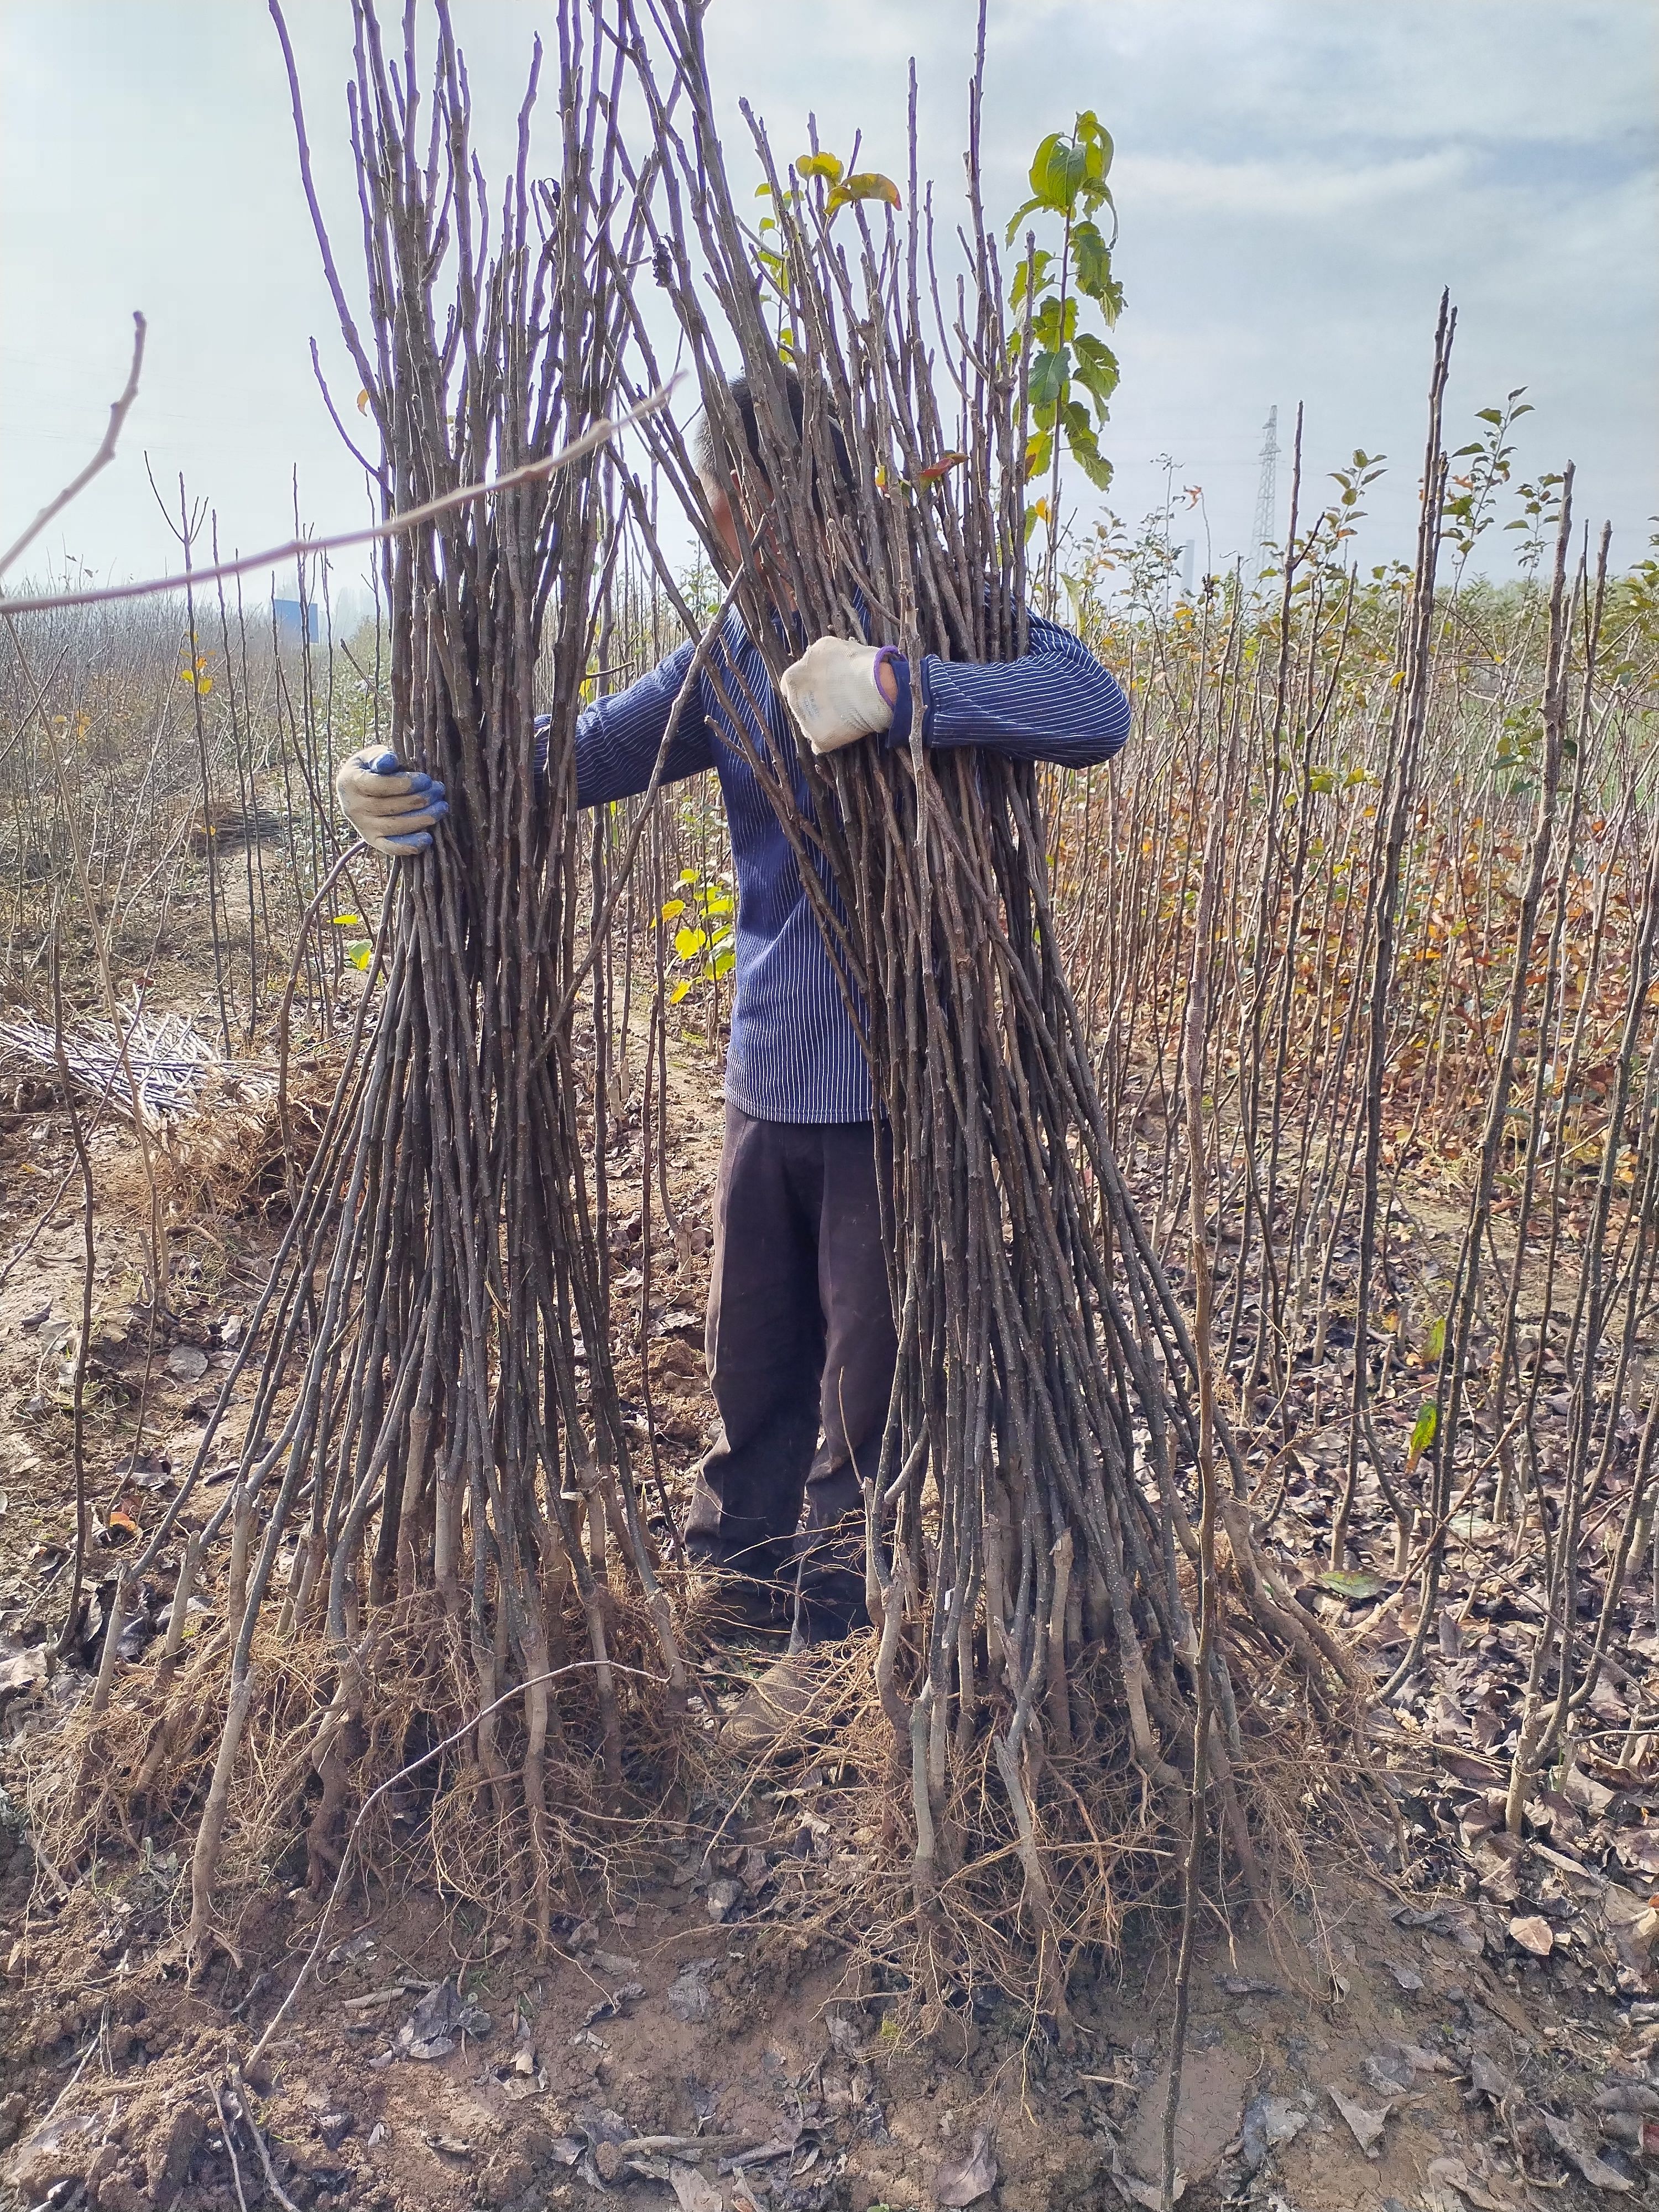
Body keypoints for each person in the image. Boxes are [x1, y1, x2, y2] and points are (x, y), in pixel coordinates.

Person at [335, 378, 1133, 1748]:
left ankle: (833, 1630)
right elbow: (570, 760)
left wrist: (901, 686)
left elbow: (1093, 705)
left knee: (867, 1369)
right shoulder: (728, 659)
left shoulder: (938, 601)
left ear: (820, 484)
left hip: (903, 1086)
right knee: (756, 1351)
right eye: (722, 504)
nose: (728, 525)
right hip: (770, 1073)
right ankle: (736, 1581)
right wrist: (416, 781)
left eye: (747, 497)